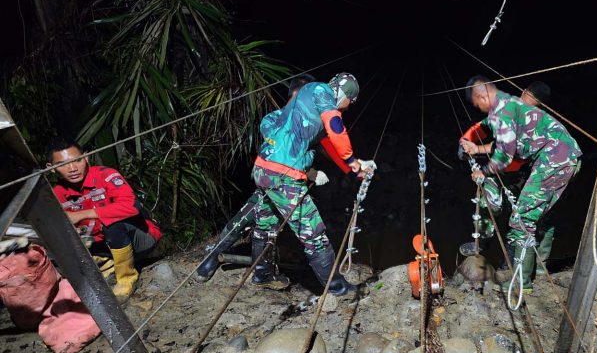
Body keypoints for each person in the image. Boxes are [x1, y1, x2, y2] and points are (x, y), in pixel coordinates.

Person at [199, 73, 375, 297]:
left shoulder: (307, 108)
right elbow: (334, 125)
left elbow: (328, 142)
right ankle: (339, 289)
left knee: (265, 223)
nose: (348, 108)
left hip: (264, 170)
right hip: (284, 176)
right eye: (350, 102)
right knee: (314, 236)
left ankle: (262, 274)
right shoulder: (322, 92)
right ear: (345, 94)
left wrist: (354, 166)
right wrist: (350, 159)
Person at [194, 72, 326, 285]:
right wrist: (310, 172)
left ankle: (261, 273)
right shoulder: (274, 119)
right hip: (272, 180)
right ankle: (214, 259)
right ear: (298, 95)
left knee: (266, 225)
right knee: (249, 215)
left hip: (288, 183)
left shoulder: (308, 125)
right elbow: (283, 150)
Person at [459, 76, 581, 293]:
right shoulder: (508, 105)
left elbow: (503, 157)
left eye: (477, 104)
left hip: (554, 160)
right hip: (563, 157)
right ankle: (539, 271)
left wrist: (482, 170)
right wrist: (471, 144)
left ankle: (522, 282)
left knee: (521, 220)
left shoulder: (505, 110)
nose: (479, 108)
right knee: (539, 215)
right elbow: (489, 130)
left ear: (482, 95)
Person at [47, 140, 162, 303]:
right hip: (101, 245)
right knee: (54, 239)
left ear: (86, 157)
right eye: (63, 164)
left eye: (77, 160)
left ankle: (127, 279)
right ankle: (107, 267)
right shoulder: (57, 193)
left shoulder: (105, 175)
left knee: (112, 224)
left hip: (139, 239)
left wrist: (82, 215)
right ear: (50, 168)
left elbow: (130, 206)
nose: (72, 169)